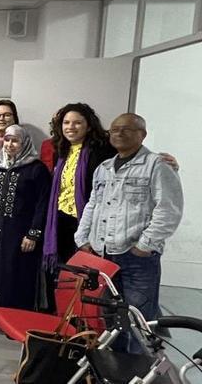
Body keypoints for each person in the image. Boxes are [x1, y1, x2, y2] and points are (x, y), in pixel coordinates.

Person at [76, 113, 183, 353]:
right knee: (111, 316)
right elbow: (93, 204)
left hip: (137, 258)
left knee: (139, 319)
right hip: (103, 255)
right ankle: (117, 367)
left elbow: (169, 209)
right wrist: (82, 238)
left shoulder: (157, 165)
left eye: (126, 129)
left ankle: (141, 369)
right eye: (114, 129)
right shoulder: (104, 168)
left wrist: (145, 245)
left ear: (142, 134)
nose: (119, 133)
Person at [0, 125, 51, 328]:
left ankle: (13, 321)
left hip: (19, 232)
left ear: (24, 143)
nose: (9, 144)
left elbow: (42, 204)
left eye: (15, 140)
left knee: (15, 272)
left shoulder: (36, 169)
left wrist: (33, 234)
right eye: (7, 140)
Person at [41, 103, 115, 270]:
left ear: (88, 126)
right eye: (66, 123)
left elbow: (129, 158)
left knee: (82, 274)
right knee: (59, 275)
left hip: (86, 222)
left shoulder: (102, 150)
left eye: (77, 123)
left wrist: (162, 160)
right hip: (60, 220)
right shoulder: (60, 150)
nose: (70, 127)